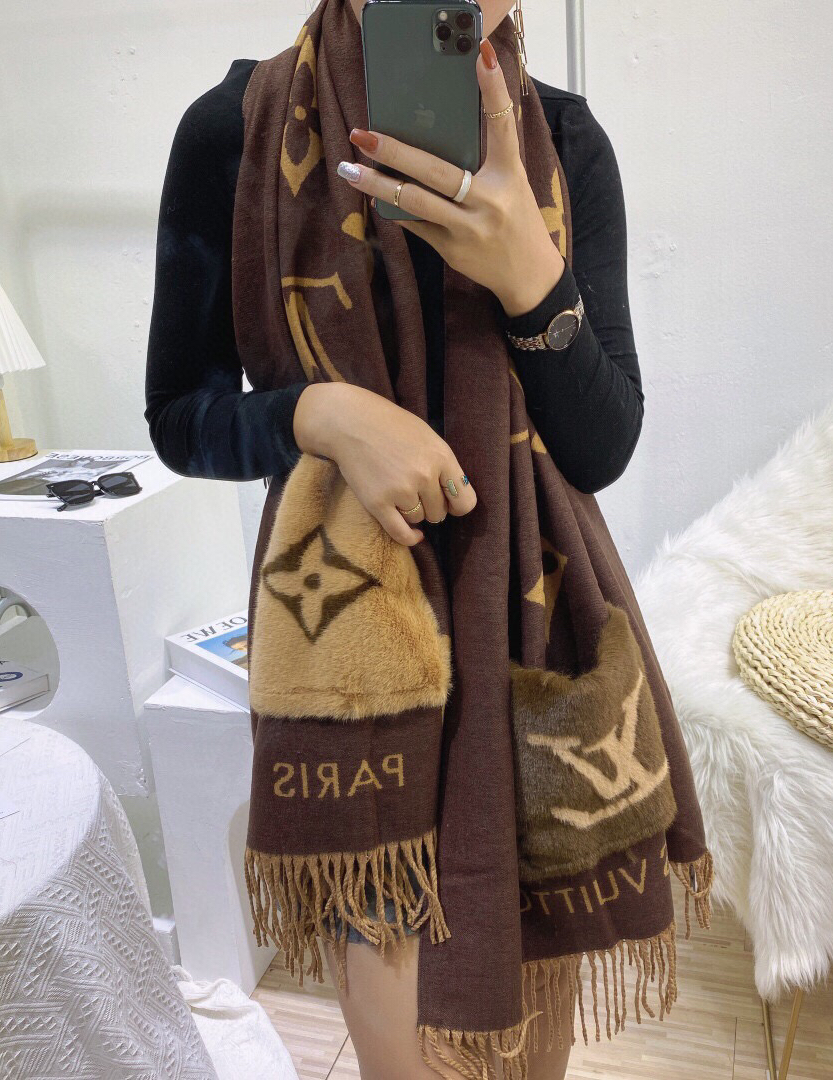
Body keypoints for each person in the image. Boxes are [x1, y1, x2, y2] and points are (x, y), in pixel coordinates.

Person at [146, 4, 654, 1078]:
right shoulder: (235, 128)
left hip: (532, 637)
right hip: (348, 648)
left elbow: (602, 443)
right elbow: (180, 417)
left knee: (530, 1050)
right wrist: (319, 415)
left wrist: (531, 277)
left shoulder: (566, 140)